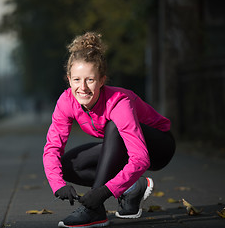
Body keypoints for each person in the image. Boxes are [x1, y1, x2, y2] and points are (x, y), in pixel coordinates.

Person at [43, 32, 176, 228]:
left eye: (90, 79)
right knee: (69, 165)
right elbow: (52, 147)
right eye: (77, 80)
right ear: (69, 79)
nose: (83, 87)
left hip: (159, 146)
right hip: (120, 143)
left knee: (113, 126)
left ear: (102, 80)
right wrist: (58, 185)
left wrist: (103, 192)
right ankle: (130, 189)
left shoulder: (119, 102)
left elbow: (141, 159)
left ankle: (94, 210)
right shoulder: (66, 101)